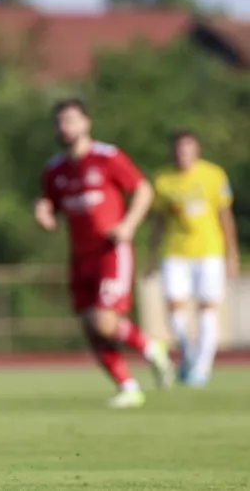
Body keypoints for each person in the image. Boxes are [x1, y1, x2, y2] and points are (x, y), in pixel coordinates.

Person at [34, 99, 174, 408]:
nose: (64, 127)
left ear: (87, 123)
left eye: (71, 120)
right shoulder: (55, 169)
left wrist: (128, 226)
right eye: (60, 122)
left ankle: (151, 347)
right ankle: (128, 386)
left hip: (111, 251)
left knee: (103, 321)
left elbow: (143, 189)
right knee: (90, 327)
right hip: (80, 257)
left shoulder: (107, 157)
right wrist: (43, 212)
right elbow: (49, 204)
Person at [146, 130, 238, 387]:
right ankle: (187, 351)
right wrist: (150, 256)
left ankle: (201, 367)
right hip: (176, 252)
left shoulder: (213, 175)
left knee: (208, 308)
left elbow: (225, 217)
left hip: (209, 251)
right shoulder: (163, 180)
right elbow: (158, 222)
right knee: (174, 306)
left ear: (197, 150)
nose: (182, 153)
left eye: (188, 148)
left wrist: (232, 254)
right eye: (178, 148)